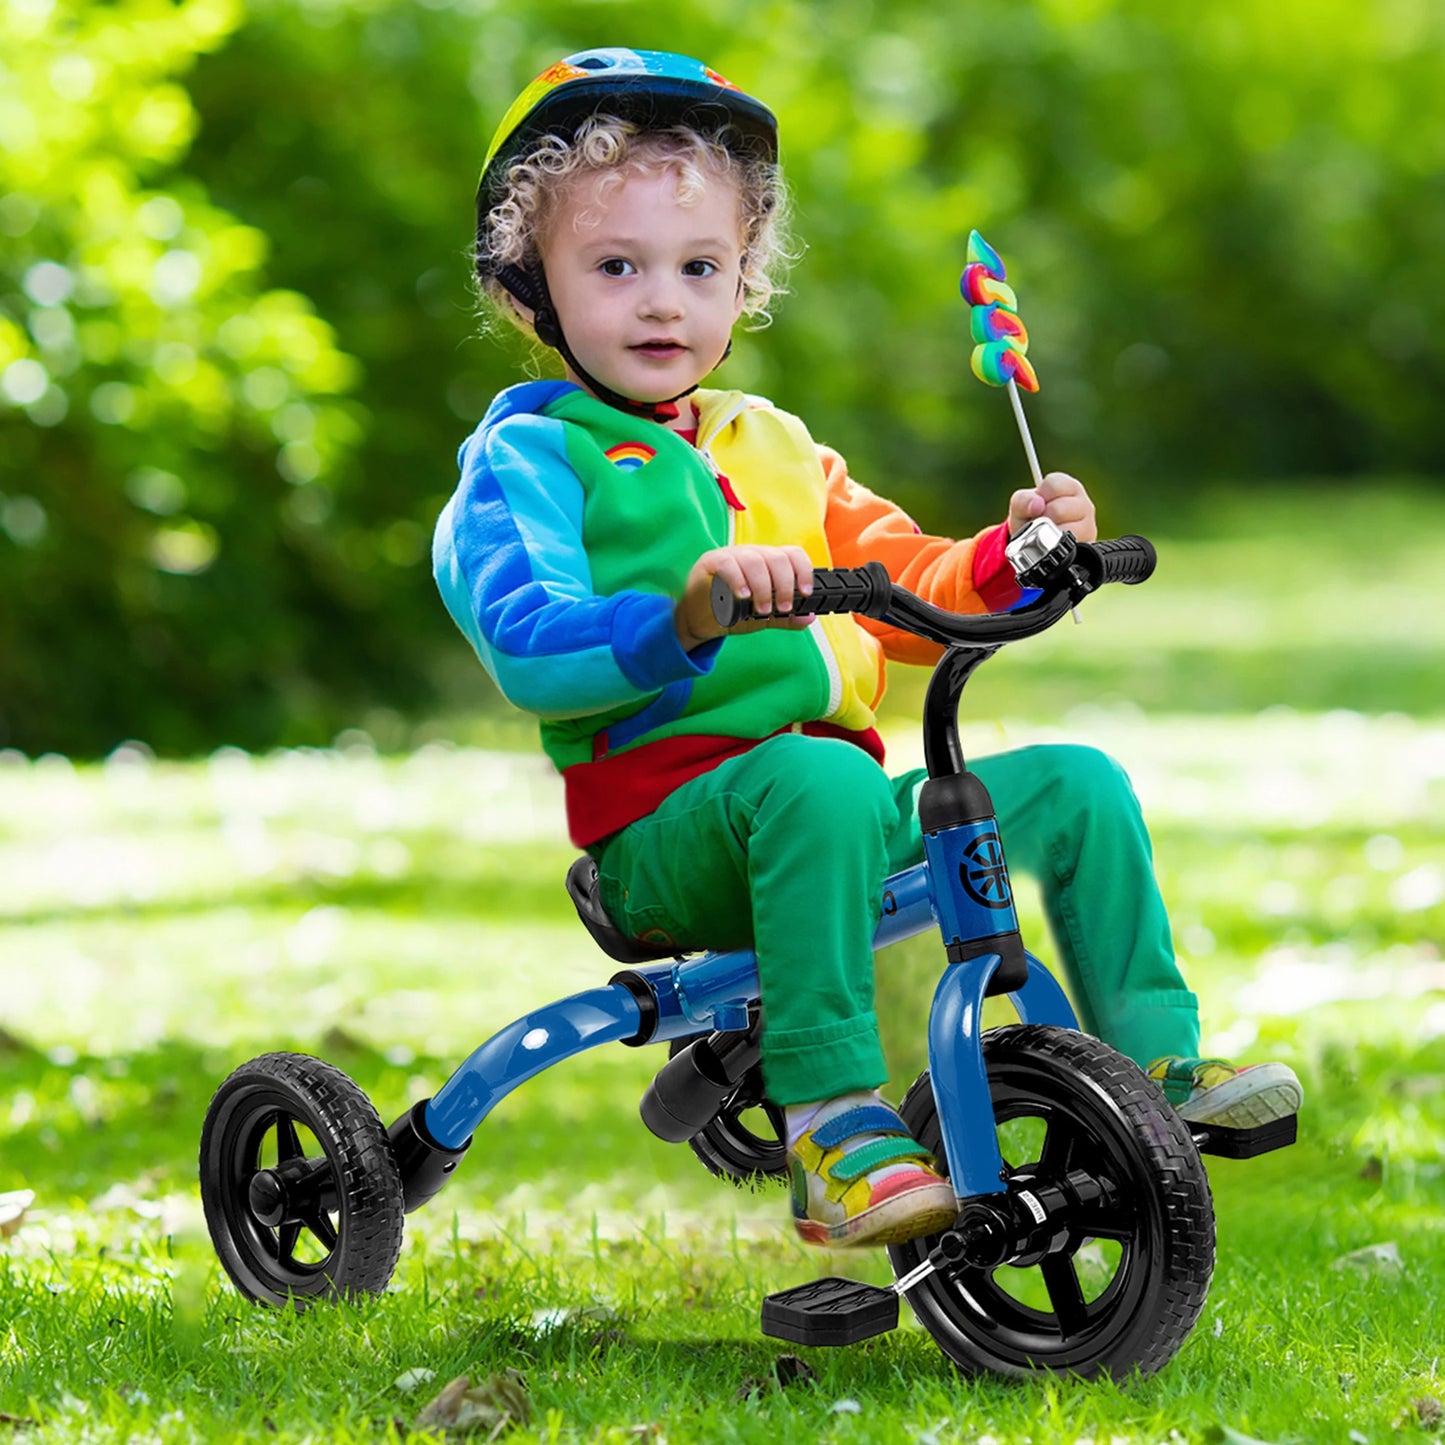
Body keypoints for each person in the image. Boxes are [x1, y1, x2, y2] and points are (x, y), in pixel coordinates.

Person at [434, 48, 1302, 1248]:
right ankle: (832, 1122)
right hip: (667, 836)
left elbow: (906, 578)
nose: (660, 301)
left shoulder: (776, 446)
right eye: (615, 266)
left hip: (826, 804)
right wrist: (680, 614)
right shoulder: (529, 460)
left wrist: (1017, 553)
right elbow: (528, 639)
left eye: (699, 269)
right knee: (822, 778)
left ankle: (1154, 1063)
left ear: (744, 287)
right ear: (534, 288)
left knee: (1074, 787)